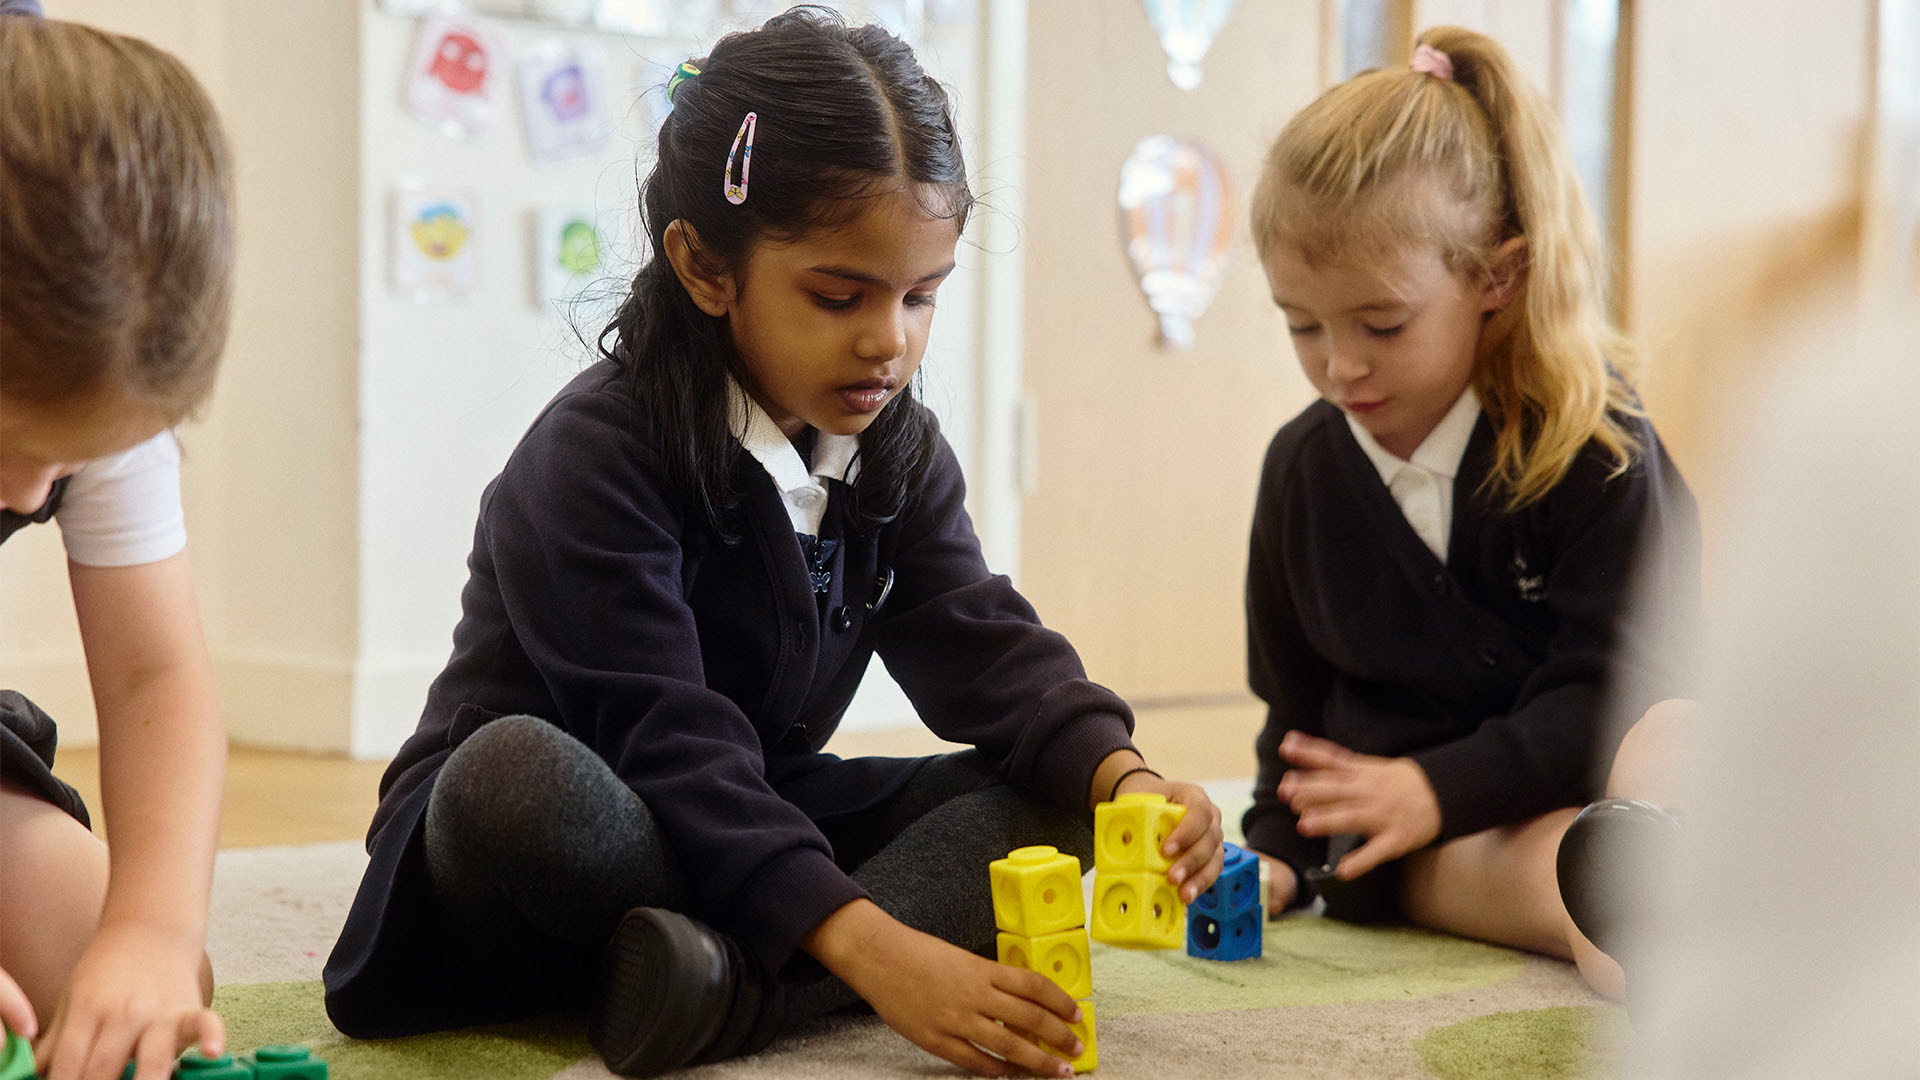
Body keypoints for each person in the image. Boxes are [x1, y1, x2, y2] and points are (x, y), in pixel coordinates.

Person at [321, 10, 1224, 1077]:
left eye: (922, 296)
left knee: (1046, 802)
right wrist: (884, 954)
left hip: (745, 816)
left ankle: (724, 991)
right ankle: (775, 972)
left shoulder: (893, 448)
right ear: (706, 268)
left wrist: (1126, 779)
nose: (889, 339)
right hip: (557, 852)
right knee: (513, 777)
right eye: (840, 296)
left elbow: (983, 644)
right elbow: (667, 739)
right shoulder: (592, 453)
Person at [1237, 25, 1699, 1001]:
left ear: (1496, 279)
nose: (1339, 365)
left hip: (1607, 765)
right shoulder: (1300, 472)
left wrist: (1443, 782)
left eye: (1382, 324)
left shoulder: (1592, 440)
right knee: (1545, 869)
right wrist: (1274, 852)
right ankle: (1653, 938)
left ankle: (1698, 887)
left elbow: (1616, 685)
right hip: (1439, 842)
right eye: (1301, 326)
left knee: (1673, 730)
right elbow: (1297, 710)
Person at [0, 7, 236, 1080]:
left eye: (69, 465)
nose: (27, 492)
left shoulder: (105, 348)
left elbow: (153, 676)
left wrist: (150, 931)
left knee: (133, 990)